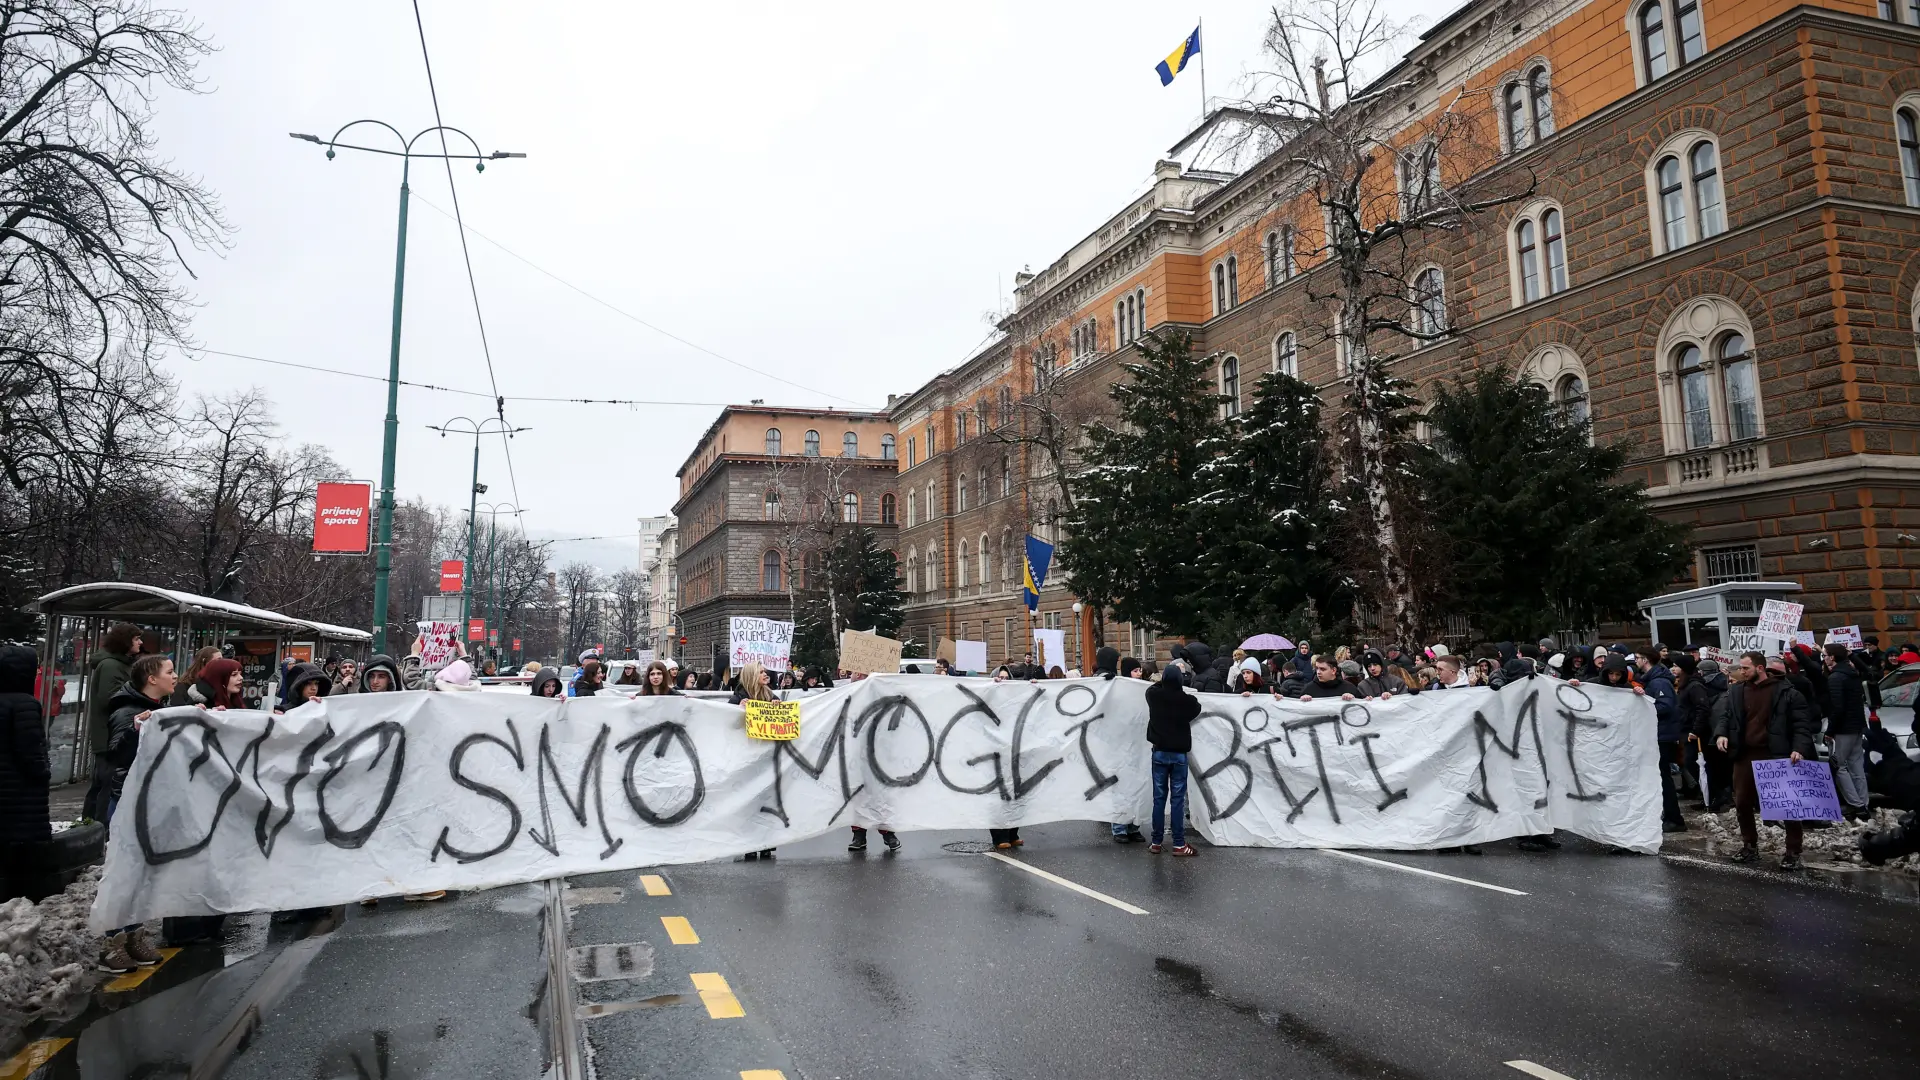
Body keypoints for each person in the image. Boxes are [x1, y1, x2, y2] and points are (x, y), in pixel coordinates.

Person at [97, 653, 176, 971]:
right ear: (152, 679)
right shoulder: (127, 711)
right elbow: (116, 755)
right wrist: (133, 729)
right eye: (169, 671)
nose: (175, 676)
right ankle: (110, 945)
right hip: (128, 803)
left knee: (143, 875)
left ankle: (133, 936)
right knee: (124, 875)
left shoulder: (159, 710)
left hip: (148, 802)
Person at [1712, 652, 1819, 870]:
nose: (1741, 672)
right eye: (1740, 668)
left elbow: (1801, 725)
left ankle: (1793, 852)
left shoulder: (1787, 693)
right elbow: (1727, 716)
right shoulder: (1736, 691)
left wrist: (1799, 748)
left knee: (1786, 805)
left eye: (1745, 668)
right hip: (1745, 754)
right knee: (1742, 802)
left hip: (1776, 755)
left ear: (1760, 668)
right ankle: (1749, 846)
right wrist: (1721, 733)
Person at [1, 644, 52, 903]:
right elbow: (30, 749)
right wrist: (43, 771)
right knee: (22, 859)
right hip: (20, 794)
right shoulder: (25, 704)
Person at [82, 622, 141, 821]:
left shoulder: (119, 663)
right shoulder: (111, 665)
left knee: (101, 785)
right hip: (110, 735)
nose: (140, 642)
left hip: (111, 734)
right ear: (125, 641)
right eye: (136, 639)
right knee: (106, 786)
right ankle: (98, 829)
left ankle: (90, 824)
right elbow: (110, 699)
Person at [1145, 664, 1201, 855]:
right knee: (1177, 800)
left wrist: (1164, 681)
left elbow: (1151, 688)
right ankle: (1179, 843)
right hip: (1178, 755)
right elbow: (1197, 707)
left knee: (1158, 799)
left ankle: (1156, 842)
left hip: (1159, 753)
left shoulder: (1154, 696)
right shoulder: (1187, 701)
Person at [731, 664, 782, 859]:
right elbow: (725, 723)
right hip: (746, 760)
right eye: (761, 672)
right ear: (752, 675)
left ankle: (767, 841)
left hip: (768, 759)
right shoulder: (738, 698)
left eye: (765, 671)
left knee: (767, 800)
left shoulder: (772, 696)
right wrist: (737, 710)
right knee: (749, 801)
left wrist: (779, 711)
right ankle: (749, 843)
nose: (765, 674)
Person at [1635, 653, 1685, 833]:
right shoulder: (1654, 680)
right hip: (1660, 734)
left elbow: (1665, 706)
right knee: (1660, 778)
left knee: (1663, 778)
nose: (1636, 661)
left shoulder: (1659, 682)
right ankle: (1670, 815)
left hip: (1663, 736)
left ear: (1645, 659)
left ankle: (1674, 818)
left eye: (1638, 657)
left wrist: (1641, 709)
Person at [1823, 642, 1870, 820]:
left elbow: (1837, 707)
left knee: (1839, 766)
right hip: (1857, 726)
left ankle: (1856, 805)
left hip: (1843, 729)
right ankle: (1864, 804)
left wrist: (1830, 730)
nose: (1824, 657)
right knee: (1856, 765)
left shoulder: (1835, 677)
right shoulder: (1852, 674)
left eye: (1825, 655)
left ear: (1832, 657)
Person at [1293, 655, 1359, 701]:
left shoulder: (1349, 688)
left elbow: (1362, 710)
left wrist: (1354, 699)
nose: (1318, 672)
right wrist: (1302, 701)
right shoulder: (1308, 689)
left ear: (1333, 670)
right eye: (1317, 668)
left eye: (1322, 669)